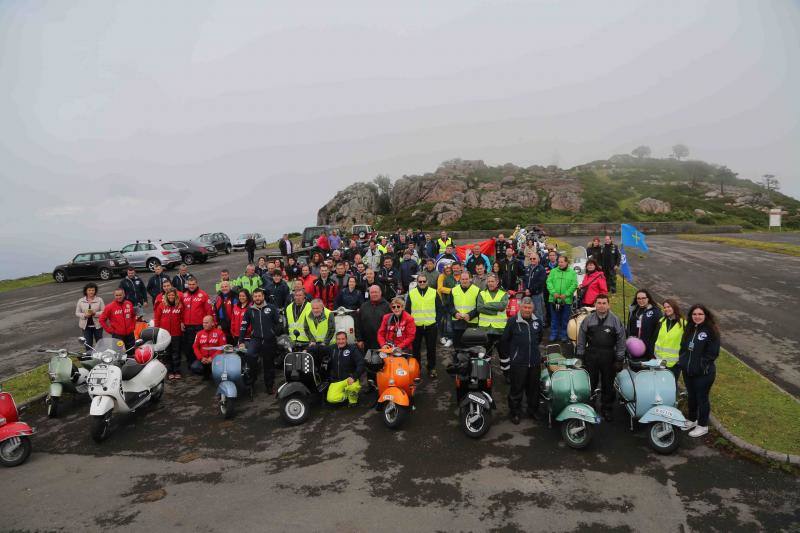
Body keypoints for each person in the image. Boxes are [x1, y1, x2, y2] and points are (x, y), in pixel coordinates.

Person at [575, 294, 626, 421]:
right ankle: (589, 406)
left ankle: (606, 408)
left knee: (608, 384)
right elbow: (581, 337)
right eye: (599, 303)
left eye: (604, 303)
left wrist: (619, 359)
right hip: (591, 354)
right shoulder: (588, 319)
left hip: (609, 355)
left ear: (608, 305)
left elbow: (621, 340)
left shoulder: (615, 320)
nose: (601, 305)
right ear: (595, 304)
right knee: (589, 382)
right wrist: (580, 355)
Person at [500, 297, 544, 424]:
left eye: (529, 308)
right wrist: (512, 356)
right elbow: (505, 340)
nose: (527, 310)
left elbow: (539, 338)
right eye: (525, 307)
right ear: (520, 307)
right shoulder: (513, 321)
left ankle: (533, 411)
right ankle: (515, 412)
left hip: (534, 362)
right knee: (516, 389)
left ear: (533, 309)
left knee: (534, 389)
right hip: (518, 362)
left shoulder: (538, 322)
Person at [679, 304, 720, 438]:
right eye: (694, 314)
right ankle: (692, 420)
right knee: (691, 396)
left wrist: (701, 366)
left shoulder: (711, 331)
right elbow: (684, 347)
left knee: (702, 398)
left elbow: (712, 353)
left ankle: (702, 426)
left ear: (705, 315)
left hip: (704, 373)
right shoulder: (689, 328)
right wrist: (683, 361)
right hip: (688, 371)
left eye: (700, 314)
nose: (697, 317)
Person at [239, 288, 281, 393]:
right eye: (255, 296)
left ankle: (269, 386)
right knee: (250, 356)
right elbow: (243, 326)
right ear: (253, 298)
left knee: (269, 364)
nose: (257, 298)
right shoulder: (249, 310)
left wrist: (273, 332)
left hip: (269, 340)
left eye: (259, 296)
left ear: (263, 296)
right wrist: (241, 341)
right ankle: (252, 381)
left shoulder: (271, 308)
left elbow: (279, 323)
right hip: (255, 339)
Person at [405, 273, 438, 378]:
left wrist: (437, 321)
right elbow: (407, 310)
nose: (422, 283)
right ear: (417, 282)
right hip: (416, 326)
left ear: (427, 282)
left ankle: (431, 368)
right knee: (416, 349)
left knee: (431, 349)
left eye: (424, 281)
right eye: (420, 281)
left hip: (431, 325)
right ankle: (416, 369)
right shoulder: (412, 293)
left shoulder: (434, 292)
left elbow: (440, 308)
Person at [181, 277, 213, 371]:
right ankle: (191, 365)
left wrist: (209, 324)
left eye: (193, 284)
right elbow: (181, 310)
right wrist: (181, 322)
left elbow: (209, 311)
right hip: (187, 326)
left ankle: (202, 365)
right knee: (189, 346)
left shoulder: (203, 295)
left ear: (197, 284)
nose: (191, 286)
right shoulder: (184, 295)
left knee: (200, 346)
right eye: (189, 284)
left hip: (200, 326)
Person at [326, 331, 365, 406]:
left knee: (353, 388)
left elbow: (361, 363)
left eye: (343, 339)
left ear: (346, 339)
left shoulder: (352, 349)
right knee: (331, 398)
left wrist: (354, 376)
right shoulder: (332, 348)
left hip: (349, 379)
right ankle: (347, 396)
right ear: (336, 340)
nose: (341, 341)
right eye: (338, 339)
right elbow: (320, 349)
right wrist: (307, 349)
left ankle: (353, 400)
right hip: (336, 380)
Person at [546, 255, 577, 342]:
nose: (560, 264)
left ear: (566, 262)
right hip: (554, 299)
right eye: (559, 262)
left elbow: (574, 284)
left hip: (566, 300)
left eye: (562, 262)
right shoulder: (553, 271)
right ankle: (554, 334)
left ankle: (563, 334)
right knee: (554, 318)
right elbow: (548, 282)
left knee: (565, 318)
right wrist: (553, 292)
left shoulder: (572, 272)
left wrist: (566, 294)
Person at [154, 288, 184, 379]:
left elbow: (183, 318)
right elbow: (157, 319)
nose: (171, 296)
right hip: (165, 335)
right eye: (169, 295)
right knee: (167, 353)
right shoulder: (161, 305)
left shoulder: (180, 306)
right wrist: (158, 331)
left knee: (176, 353)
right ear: (166, 296)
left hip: (176, 333)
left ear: (175, 296)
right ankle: (170, 371)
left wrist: (182, 324)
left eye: (173, 295)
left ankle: (177, 371)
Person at [477, 274, 509, 357]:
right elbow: (480, 308)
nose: (490, 283)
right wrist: (495, 311)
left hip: (499, 329)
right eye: (489, 281)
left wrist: (486, 305)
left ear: (497, 282)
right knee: (486, 354)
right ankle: (487, 370)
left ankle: (505, 370)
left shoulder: (503, 293)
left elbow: (502, 306)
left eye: (492, 281)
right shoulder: (482, 293)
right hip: (485, 329)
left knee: (503, 354)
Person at [627, 289, 662, 359]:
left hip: (648, 348)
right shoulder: (633, 310)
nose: (641, 300)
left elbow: (658, 331)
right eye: (638, 298)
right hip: (634, 345)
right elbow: (629, 326)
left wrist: (652, 347)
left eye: (643, 298)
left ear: (648, 299)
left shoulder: (655, 312)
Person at [654, 299, 686, 378]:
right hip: (659, 361)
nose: (666, 309)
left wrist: (680, 361)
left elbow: (686, 344)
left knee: (671, 386)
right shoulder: (661, 321)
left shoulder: (684, 324)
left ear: (674, 307)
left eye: (669, 307)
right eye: (664, 307)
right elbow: (655, 338)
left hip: (674, 364)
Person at [356, 285, 392, 352]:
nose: (374, 294)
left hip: (383, 343)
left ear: (380, 292)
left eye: (376, 292)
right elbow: (358, 324)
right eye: (372, 292)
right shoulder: (364, 306)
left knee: (383, 362)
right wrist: (359, 339)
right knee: (367, 361)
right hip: (367, 342)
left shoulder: (387, 306)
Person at [450, 271, 479, 350]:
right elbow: (449, 305)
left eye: (466, 279)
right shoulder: (454, 290)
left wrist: (470, 315)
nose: (464, 281)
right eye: (462, 279)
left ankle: (470, 361)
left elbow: (479, 307)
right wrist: (455, 313)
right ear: (460, 279)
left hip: (471, 322)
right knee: (457, 345)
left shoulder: (477, 290)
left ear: (470, 279)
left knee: (471, 346)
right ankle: (458, 360)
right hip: (457, 321)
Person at [522, 253, 546, 325]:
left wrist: (530, 290)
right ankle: (530, 327)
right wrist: (526, 289)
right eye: (531, 258)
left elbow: (540, 282)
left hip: (537, 294)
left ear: (538, 259)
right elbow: (525, 280)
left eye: (534, 258)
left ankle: (539, 329)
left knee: (538, 312)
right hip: (527, 294)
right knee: (527, 311)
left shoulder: (541, 269)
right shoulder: (528, 268)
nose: (532, 260)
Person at [437, 263, 456, 347]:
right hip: (442, 301)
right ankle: (443, 337)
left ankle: (448, 337)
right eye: (446, 271)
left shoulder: (451, 277)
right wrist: (453, 290)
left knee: (448, 320)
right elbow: (440, 288)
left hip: (450, 301)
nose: (448, 272)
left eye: (449, 271)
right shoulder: (442, 276)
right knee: (443, 320)